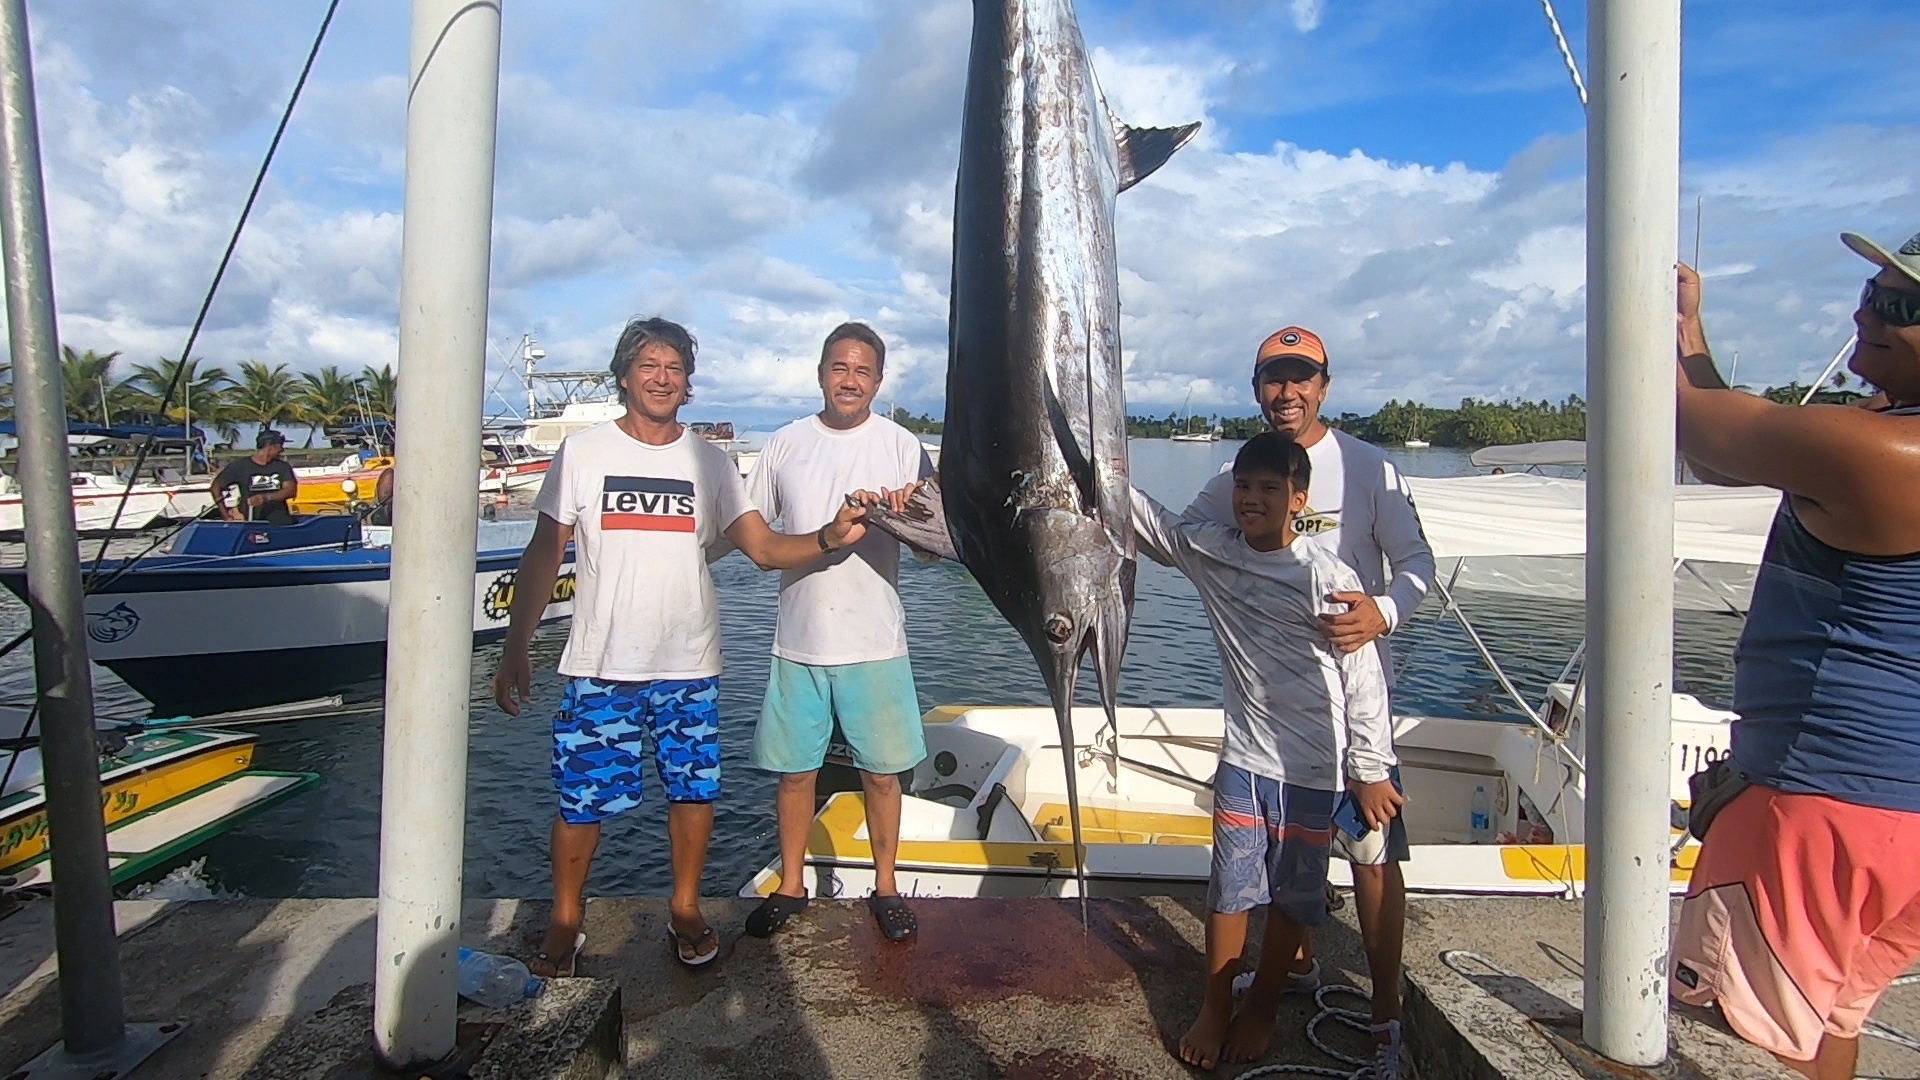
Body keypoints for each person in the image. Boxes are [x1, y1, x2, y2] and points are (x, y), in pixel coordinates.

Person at [492, 316, 872, 974]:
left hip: (689, 664)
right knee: (581, 799)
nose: (662, 377)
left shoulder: (710, 461)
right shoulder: (584, 454)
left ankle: (687, 906)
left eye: (675, 368)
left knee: (693, 793)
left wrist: (827, 538)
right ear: (624, 375)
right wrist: (517, 644)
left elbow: (760, 549)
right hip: (599, 663)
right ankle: (565, 916)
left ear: (688, 383)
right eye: (649, 365)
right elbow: (544, 551)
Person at [1669, 231, 1920, 1080]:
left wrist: (1647, 316)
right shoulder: (1879, 438)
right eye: (1871, 293)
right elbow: (1722, 453)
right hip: (1902, 821)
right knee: (1827, 1023)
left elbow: (1697, 432)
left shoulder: (1882, 455)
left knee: (1737, 1044)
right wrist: (1692, 336)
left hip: (1823, 803)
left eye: (1901, 306)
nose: (1865, 315)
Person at [1184, 326, 1433, 1075]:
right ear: (1256, 388)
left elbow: (1419, 565)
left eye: (1301, 378)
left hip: (1352, 711)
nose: (1286, 392)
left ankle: (1386, 1014)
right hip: (1266, 717)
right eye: (1271, 378)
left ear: (1325, 385)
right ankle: (1293, 969)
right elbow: (1192, 534)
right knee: (1283, 864)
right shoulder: (1240, 471)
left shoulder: (1369, 467)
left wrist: (1381, 613)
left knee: (1370, 854)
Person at [1132, 432, 1398, 1071]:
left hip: (1314, 768)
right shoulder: (1214, 554)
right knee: (1228, 889)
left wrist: (1366, 770)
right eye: (1243, 487)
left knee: (1291, 897)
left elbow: (1362, 681)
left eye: (1269, 489)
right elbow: (1151, 521)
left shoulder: (1327, 577)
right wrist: (1096, 471)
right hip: (1245, 760)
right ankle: (1217, 1001)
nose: (1251, 500)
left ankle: (1263, 1004)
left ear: (1298, 500)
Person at [740, 323, 934, 943]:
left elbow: (941, 552)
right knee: (794, 773)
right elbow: (754, 538)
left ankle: (885, 888)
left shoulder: (905, 446)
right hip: (797, 642)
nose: (849, 381)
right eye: (839, 368)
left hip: (876, 643)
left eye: (863, 372)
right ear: (821, 372)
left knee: (883, 774)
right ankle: (791, 886)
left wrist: (916, 512)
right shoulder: (784, 443)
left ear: (878, 381)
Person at [212, 430, 297, 524]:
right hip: (249, 520)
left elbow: (290, 490)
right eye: (280, 446)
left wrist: (265, 498)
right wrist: (226, 516)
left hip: (278, 519)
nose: (282, 450)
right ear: (271, 447)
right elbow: (216, 487)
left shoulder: (282, 466)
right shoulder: (240, 466)